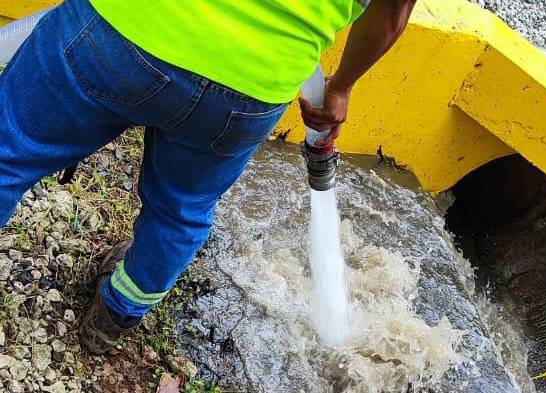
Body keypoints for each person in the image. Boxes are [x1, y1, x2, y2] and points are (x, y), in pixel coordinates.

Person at [0, 0, 416, 354]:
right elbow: (394, 9)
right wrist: (339, 88)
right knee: (182, 209)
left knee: (8, 153)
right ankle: (114, 317)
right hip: (253, 85)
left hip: (126, 28)